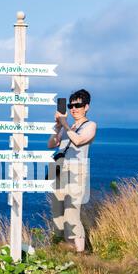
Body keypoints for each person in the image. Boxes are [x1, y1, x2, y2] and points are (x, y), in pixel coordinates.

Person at [47, 89, 97, 253]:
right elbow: (51, 144)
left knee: (72, 213)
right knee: (58, 214)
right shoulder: (67, 126)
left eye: (78, 105)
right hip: (60, 170)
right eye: (71, 106)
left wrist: (65, 124)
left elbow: (78, 140)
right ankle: (68, 250)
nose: (74, 109)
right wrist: (58, 126)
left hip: (77, 171)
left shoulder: (90, 125)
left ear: (86, 107)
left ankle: (80, 252)